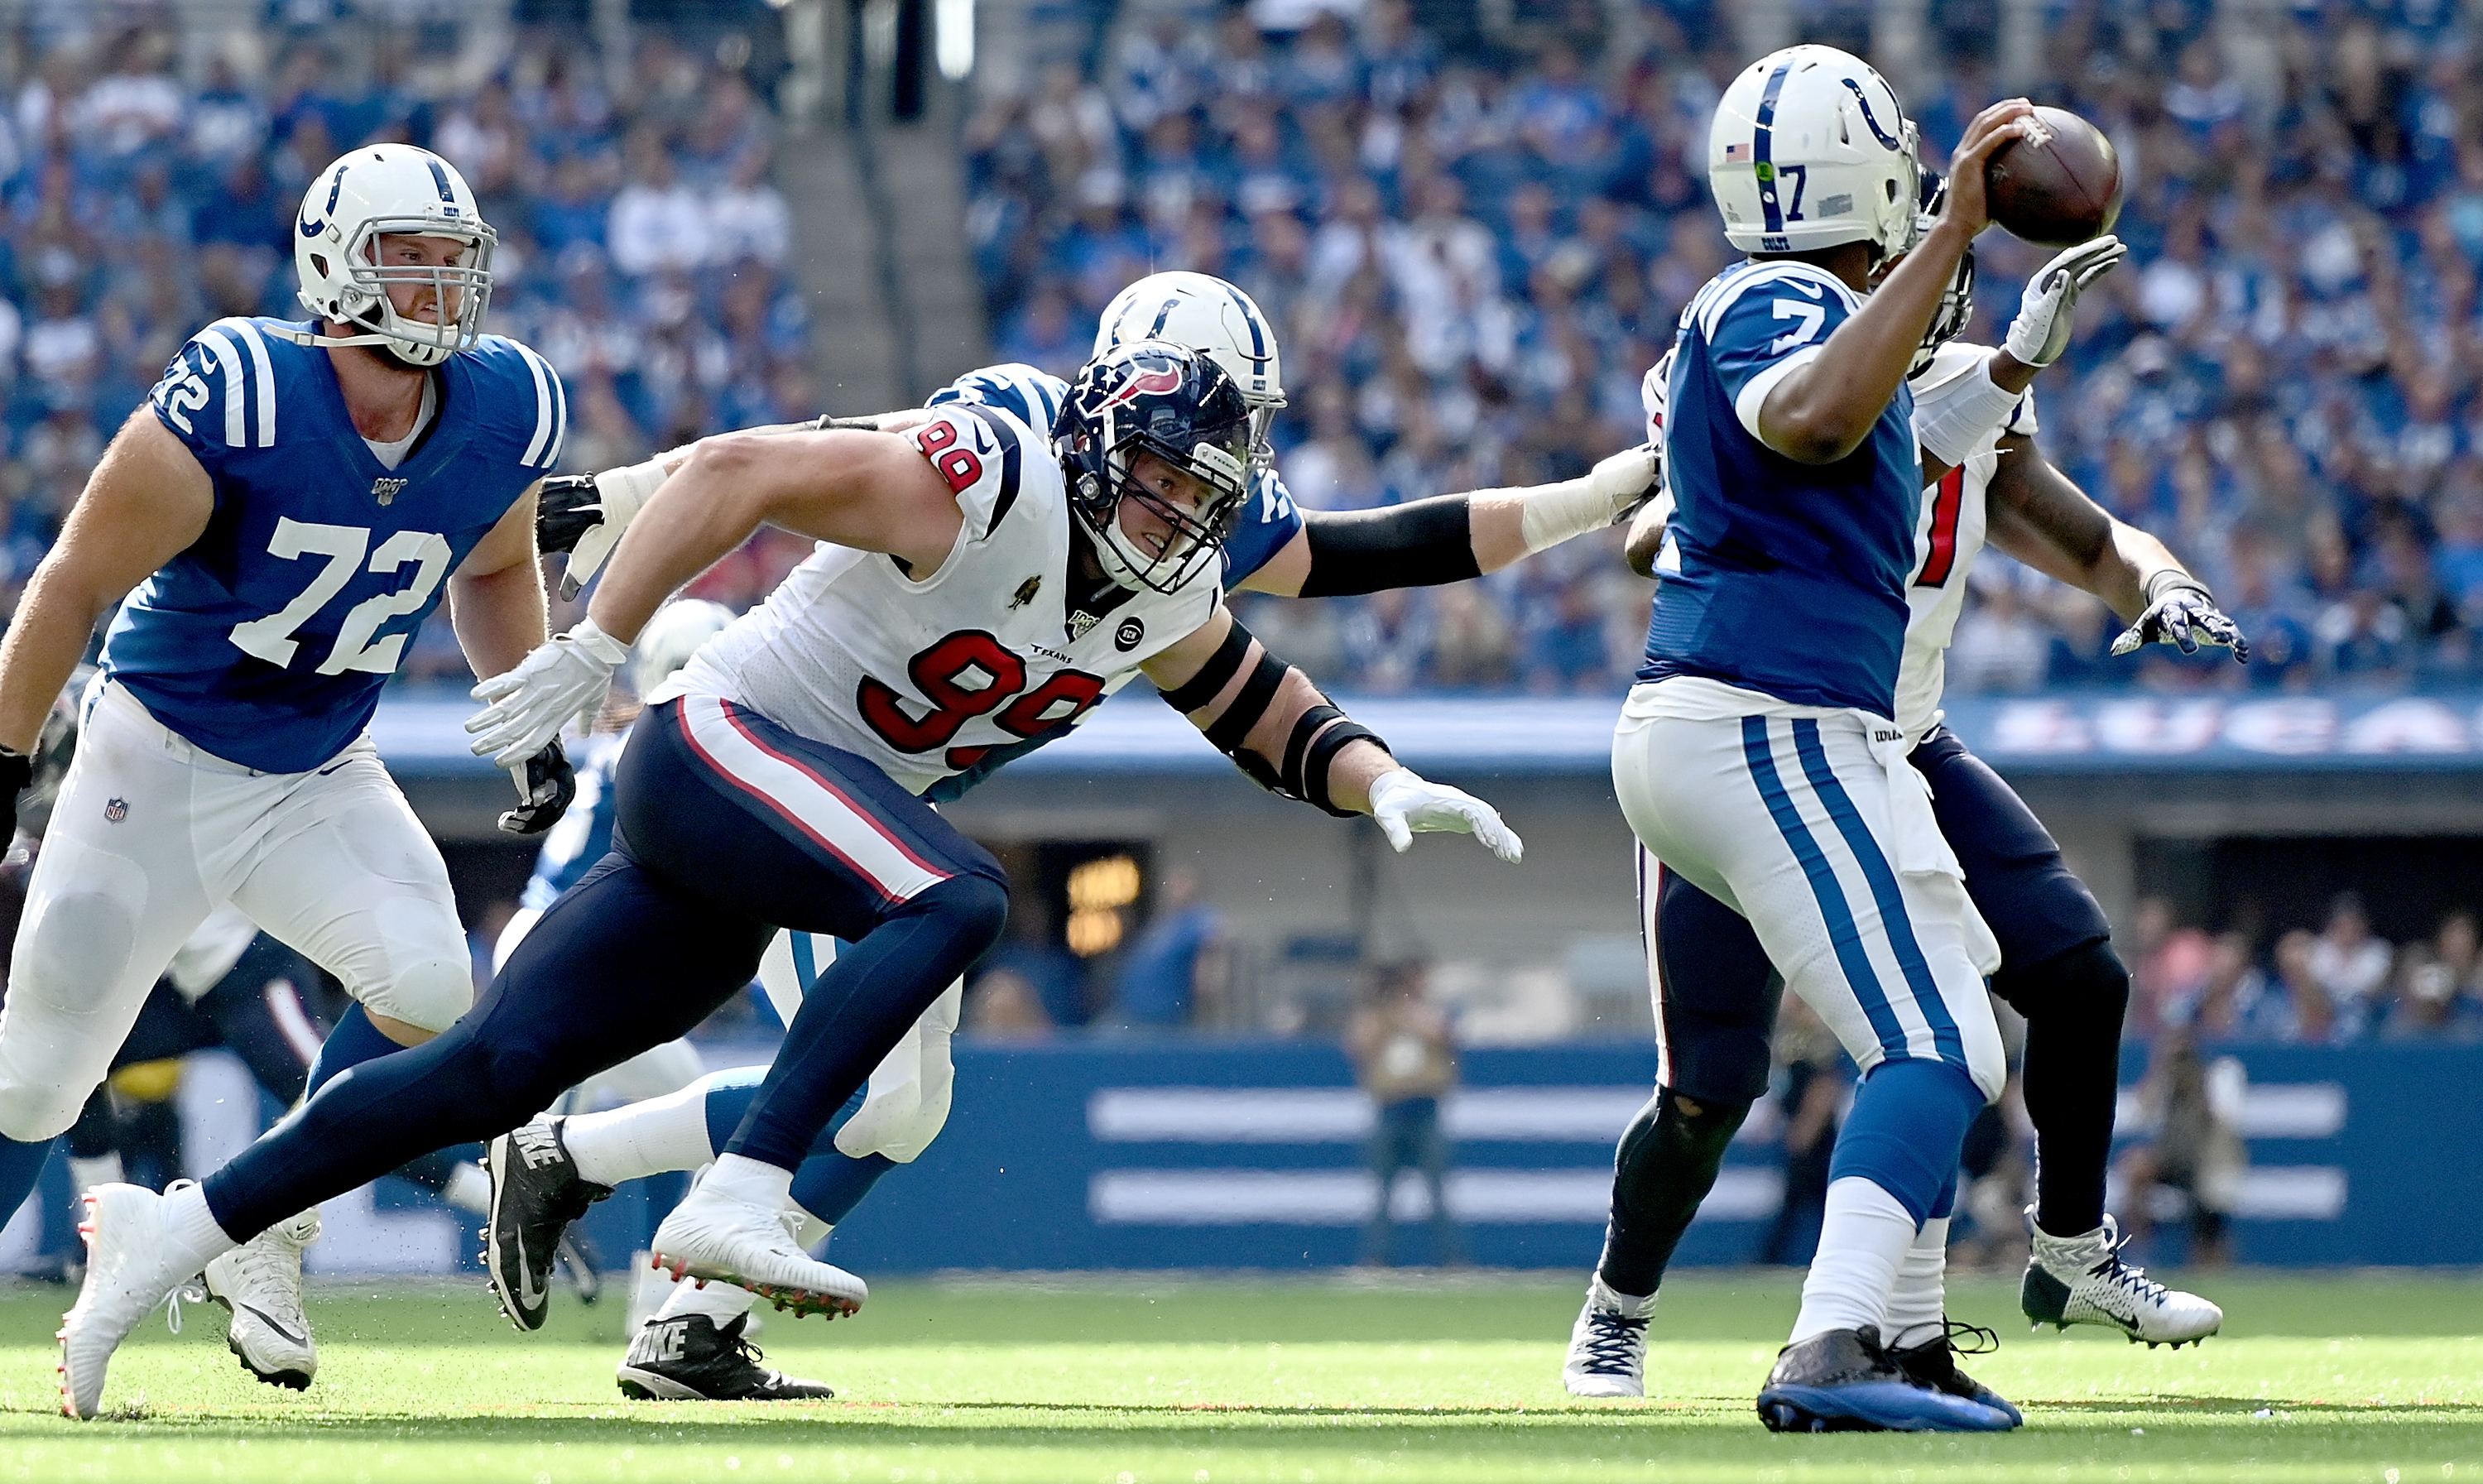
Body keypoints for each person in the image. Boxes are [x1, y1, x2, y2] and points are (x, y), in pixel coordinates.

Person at [57, 341, 1527, 1419]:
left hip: (779, 826)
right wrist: (597, 634)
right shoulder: (987, 470)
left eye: (1198, 496)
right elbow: (732, 470)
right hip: (720, 744)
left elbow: (1261, 712)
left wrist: (1383, 778)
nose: (1169, 516)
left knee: (494, 1065)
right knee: (953, 899)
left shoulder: (1166, 581)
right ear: (1094, 441)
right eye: (1152, 479)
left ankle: (176, 1227)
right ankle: (734, 1198)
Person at [475, 267, 1662, 1401]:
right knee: (881, 1087)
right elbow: (791, 454)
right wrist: (625, 500)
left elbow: (1375, 550)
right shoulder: (1009, 443)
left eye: (1242, 423)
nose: (1223, 453)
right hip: (797, 761)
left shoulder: (1177, 532)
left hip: (882, 800)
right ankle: (600, 1196)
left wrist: (1600, 498)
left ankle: (659, 1275)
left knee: (904, 1107)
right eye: (1212, 412)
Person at [1568, 136, 2236, 1406]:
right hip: (1771, 727)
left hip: (1884, 736)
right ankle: (1648, 1313)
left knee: (2014, 999)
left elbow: (2013, 485)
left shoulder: (1953, 392)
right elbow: (1765, 461)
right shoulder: (1776, 331)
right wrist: (1999, 352)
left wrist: (2157, 572)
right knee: (1721, 1085)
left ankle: (1937, 1324)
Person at [0, 144, 571, 1396]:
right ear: (330, 269)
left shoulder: (505, 407)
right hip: (152, 754)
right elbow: (74, 584)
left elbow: (490, 570)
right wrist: (2, 757)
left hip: (318, 765)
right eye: (403, 260)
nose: (434, 289)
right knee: (36, 1084)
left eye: (449, 260)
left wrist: (528, 714)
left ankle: (260, 1228)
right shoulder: (244, 392)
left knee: (427, 977)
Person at [1345, 960, 1461, 1267]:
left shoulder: (1429, 1012)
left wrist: (1411, 1013)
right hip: (1390, 1107)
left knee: (1437, 1191)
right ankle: (1378, 1257)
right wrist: (1384, 1011)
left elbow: (1445, 1035)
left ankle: (1450, 1257)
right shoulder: (1376, 1016)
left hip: (1425, 1107)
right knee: (1383, 1191)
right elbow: (1358, 1045)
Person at [1112, 866, 1225, 1028]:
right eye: (1174, 883)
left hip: (1166, 1016)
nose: (1176, 888)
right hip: (1134, 1013)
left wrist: (1206, 988)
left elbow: (1210, 958)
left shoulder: (1202, 920)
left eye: (1182, 883)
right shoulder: (1168, 922)